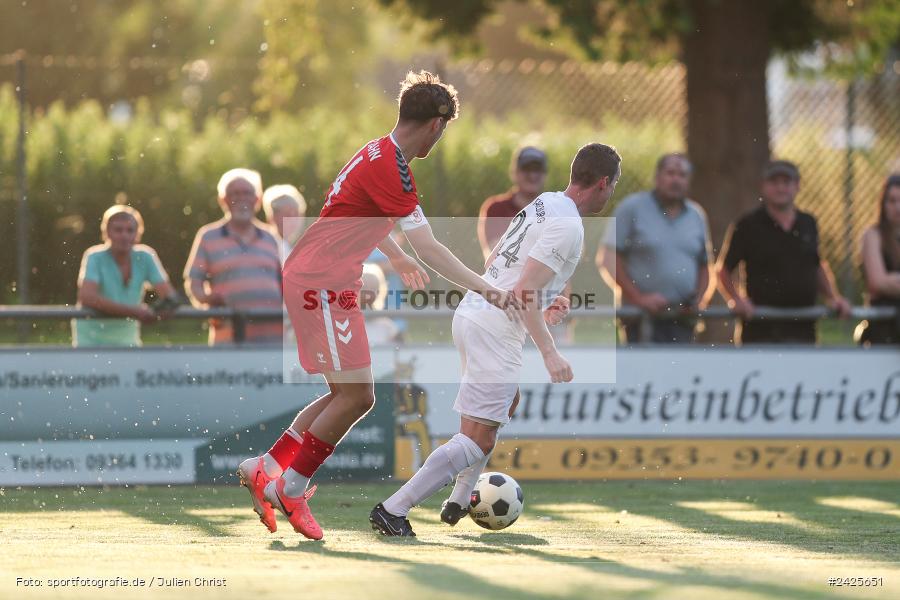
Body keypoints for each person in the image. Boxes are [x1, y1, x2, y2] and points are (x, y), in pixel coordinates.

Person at [235, 70, 520, 541]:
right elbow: (431, 247)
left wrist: (393, 253)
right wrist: (485, 288)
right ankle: (292, 485)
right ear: (437, 125)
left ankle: (266, 466)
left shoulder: (378, 151)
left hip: (324, 277)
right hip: (321, 281)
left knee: (341, 393)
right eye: (445, 129)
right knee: (358, 396)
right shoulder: (395, 168)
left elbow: (355, 211)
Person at [369, 143, 622, 537]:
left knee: (505, 404)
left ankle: (459, 497)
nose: (612, 195)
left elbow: (507, 266)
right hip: (493, 327)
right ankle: (393, 509)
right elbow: (523, 293)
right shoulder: (569, 224)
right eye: (613, 187)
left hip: (475, 314)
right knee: (477, 435)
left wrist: (546, 300)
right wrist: (550, 352)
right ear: (603, 183)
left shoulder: (547, 202)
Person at [717, 160, 851, 344]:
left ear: (797, 186)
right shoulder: (747, 225)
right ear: (763, 186)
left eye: (786, 182)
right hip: (760, 329)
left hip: (803, 328)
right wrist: (736, 300)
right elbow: (723, 270)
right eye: (774, 182)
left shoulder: (808, 223)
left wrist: (832, 298)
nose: (781, 188)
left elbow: (815, 264)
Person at [597, 153, 714, 343]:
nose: (676, 179)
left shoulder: (696, 215)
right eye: (670, 173)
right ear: (657, 177)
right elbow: (608, 259)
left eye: (682, 175)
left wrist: (699, 301)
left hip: (683, 320)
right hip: (641, 320)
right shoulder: (632, 208)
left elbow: (705, 267)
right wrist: (639, 298)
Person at [183, 168, 283, 345]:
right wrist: (207, 300)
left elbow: (287, 284)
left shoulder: (272, 238)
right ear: (223, 200)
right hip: (227, 336)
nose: (241, 198)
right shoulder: (207, 236)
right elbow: (194, 282)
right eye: (234, 193)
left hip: (273, 337)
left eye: (247, 193)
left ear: (257, 200)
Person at [73, 205, 177, 347]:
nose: (124, 235)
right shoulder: (94, 256)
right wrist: (135, 312)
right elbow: (87, 297)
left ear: (137, 234)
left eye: (130, 230)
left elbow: (170, 297)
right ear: (107, 232)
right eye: (118, 230)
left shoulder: (145, 256)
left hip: (129, 342)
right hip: (91, 342)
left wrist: (154, 313)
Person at [477, 146, 548, 260]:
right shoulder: (496, 208)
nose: (532, 175)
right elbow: (497, 252)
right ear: (514, 172)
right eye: (526, 169)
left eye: (537, 170)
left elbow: (574, 252)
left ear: (545, 175)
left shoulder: (554, 209)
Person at [856, 174, 900, 345]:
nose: (897, 207)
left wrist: (893, 279)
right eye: (892, 200)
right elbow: (877, 282)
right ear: (883, 204)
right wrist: (885, 281)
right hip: (883, 327)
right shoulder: (873, 235)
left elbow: (885, 280)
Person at [262, 184, 307, 263]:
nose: (293, 219)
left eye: (296, 214)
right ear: (272, 217)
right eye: (287, 214)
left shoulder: (295, 246)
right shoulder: (266, 246)